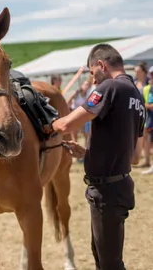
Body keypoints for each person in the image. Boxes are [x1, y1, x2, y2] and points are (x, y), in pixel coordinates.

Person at [52, 44, 145, 270]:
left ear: (102, 65)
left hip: (106, 192)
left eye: (93, 73)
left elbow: (66, 124)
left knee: (110, 264)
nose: (93, 80)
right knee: (104, 258)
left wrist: (44, 126)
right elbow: (134, 156)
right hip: (119, 187)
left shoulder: (109, 87)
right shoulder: (136, 95)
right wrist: (87, 154)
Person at [141, 66, 153, 174]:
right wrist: (148, 106)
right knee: (148, 141)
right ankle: (149, 163)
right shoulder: (147, 88)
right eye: (152, 74)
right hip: (150, 119)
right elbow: (143, 103)